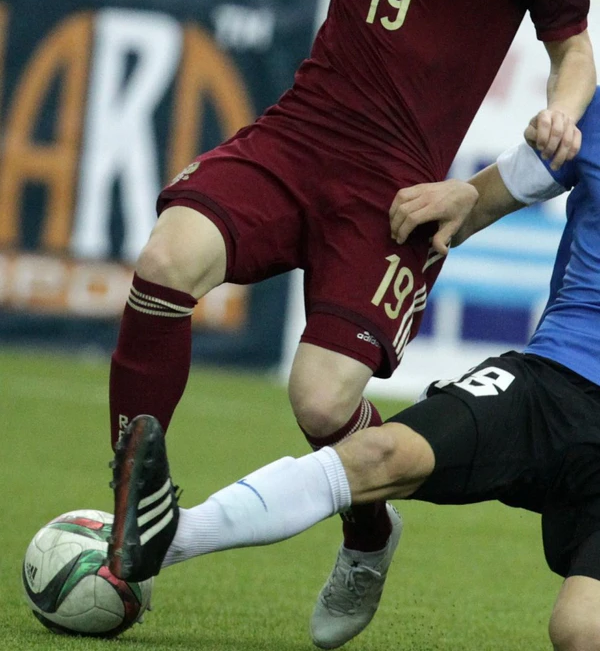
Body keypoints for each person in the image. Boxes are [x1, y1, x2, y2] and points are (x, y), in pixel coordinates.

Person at [3, 0, 595, 646]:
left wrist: (562, 108)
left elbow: (574, 48)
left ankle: (368, 532)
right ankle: (132, 503)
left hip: (393, 194)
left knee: (321, 401)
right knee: (165, 259)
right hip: (298, 141)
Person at [110, 86, 600, 651]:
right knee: (383, 453)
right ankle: (169, 538)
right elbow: (494, 193)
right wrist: (463, 195)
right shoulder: (593, 111)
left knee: (579, 631)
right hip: (553, 375)